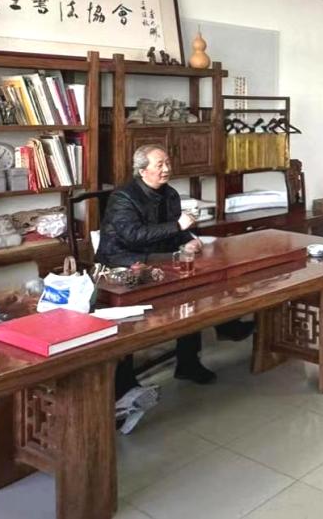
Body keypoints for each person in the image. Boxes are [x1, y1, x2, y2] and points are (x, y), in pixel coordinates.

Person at [97, 146, 252, 417]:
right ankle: (123, 383)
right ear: (142, 170)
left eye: (167, 163)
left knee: (192, 291)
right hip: (123, 263)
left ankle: (189, 362)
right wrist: (178, 227)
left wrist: (189, 239)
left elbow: (177, 229)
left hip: (160, 258)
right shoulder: (123, 197)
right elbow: (133, 235)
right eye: (159, 164)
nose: (166, 169)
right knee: (130, 315)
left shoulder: (169, 194)